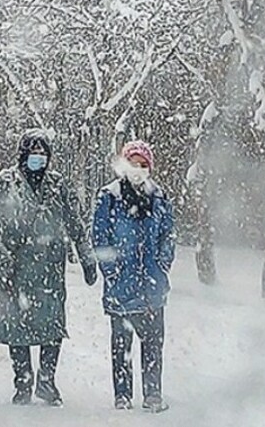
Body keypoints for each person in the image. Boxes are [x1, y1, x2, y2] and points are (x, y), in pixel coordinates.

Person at [0, 129, 96, 407]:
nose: (38, 158)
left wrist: (87, 257)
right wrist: (1, 257)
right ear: (23, 154)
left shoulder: (57, 184)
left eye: (43, 154)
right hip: (15, 269)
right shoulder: (3, 183)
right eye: (33, 153)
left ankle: (47, 381)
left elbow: (75, 223)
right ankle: (22, 381)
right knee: (16, 326)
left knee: (52, 326)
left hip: (49, 269)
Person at [92, 140, 175, 412]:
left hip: (152, 286)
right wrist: (111, 271)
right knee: (121, 345)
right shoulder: (109, 196)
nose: (138, 169)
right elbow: (100, 237)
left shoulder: (159, 197)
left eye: (143, 165)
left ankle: (153, 393)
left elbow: (168, 234)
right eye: (133, 163)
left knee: (152, 344)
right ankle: (122, 394)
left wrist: (162, 265)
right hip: (121, 286)